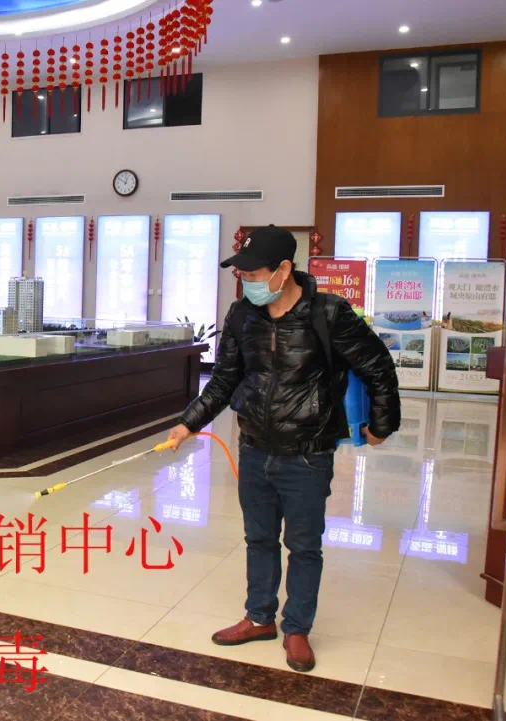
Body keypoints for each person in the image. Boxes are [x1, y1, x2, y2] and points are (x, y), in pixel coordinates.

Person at [168, 225, 400, 673]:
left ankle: (297, 629)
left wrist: (382, 424)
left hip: (307, 453)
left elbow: (378, 366)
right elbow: (225, 379)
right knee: (258, 539)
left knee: (304, 546)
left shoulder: (328, 313)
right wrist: (188, 423)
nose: (247, 282)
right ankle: (259, 618)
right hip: (254, 447)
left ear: (284, 270)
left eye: (254, 274)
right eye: (242, 275)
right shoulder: (242, 316)